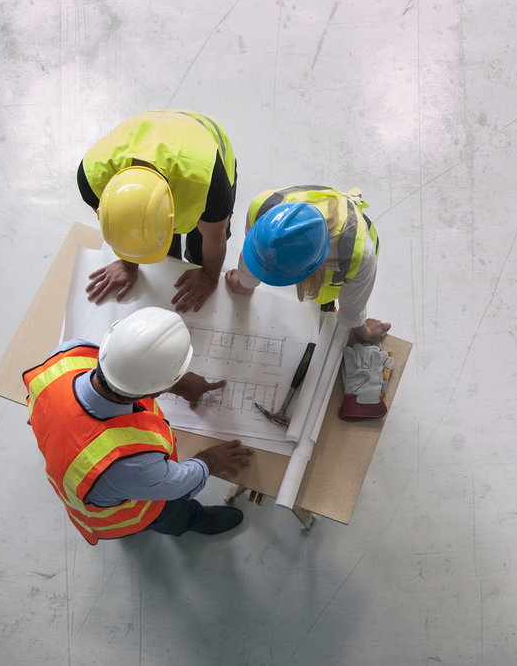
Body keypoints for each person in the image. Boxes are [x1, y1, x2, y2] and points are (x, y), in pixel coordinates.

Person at [23, 307, 254, 544]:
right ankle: (192, 520)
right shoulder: (128, 464)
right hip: (123, 509)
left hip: (82, 468)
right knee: (170, 513)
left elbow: (123, 371)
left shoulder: (68, 355)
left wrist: (176, 383)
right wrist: (212, 459)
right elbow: (179, 484)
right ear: (156, 391)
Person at [77, 109, 237, 313]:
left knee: (200, 246)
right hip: (152, 133)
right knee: (162, 250)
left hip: (202, 145)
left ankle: (196, 262)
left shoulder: (208, 184)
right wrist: (129, 264)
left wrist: (208, 276)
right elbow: (126, 228)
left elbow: (215, 237)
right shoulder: (92, 178)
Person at [224, 185, 391, 343]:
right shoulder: (262, 207)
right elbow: (255, 249)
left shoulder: (359, 256)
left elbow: (352, 308)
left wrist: (365, 333)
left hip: (339, 268)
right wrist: (244, 285)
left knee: (321, 298)